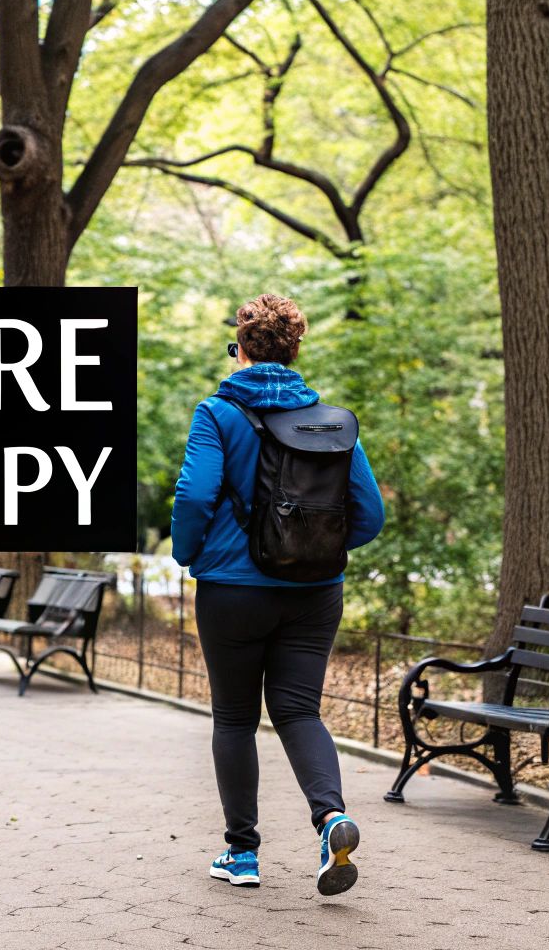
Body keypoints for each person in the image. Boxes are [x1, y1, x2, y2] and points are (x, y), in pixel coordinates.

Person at [171, 293, 385, 897]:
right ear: (296, 350)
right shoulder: (330, 421)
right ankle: (330, 818)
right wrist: (319, 549)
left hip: (232, 589)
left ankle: (241, 854)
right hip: (315, 591)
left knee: (235, 719)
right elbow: (368, 514)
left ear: (240, 349)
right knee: (299, 711)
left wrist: (190, 553)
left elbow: (193, 496)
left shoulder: (217, 412)